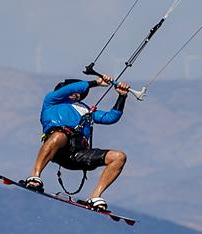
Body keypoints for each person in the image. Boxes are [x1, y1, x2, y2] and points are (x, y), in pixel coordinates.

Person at [24, 74, 131, 211]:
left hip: (79, 154)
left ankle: (95, 196)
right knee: (60, 136)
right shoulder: (51, 101)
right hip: (58, 148)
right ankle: (35, 176)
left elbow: (111, 117)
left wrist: (122, 96)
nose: (75, 94)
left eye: (78, 93)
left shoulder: (86, 110)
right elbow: (72, 88)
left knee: (119, 157)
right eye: (72, 92)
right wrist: (95, 82)